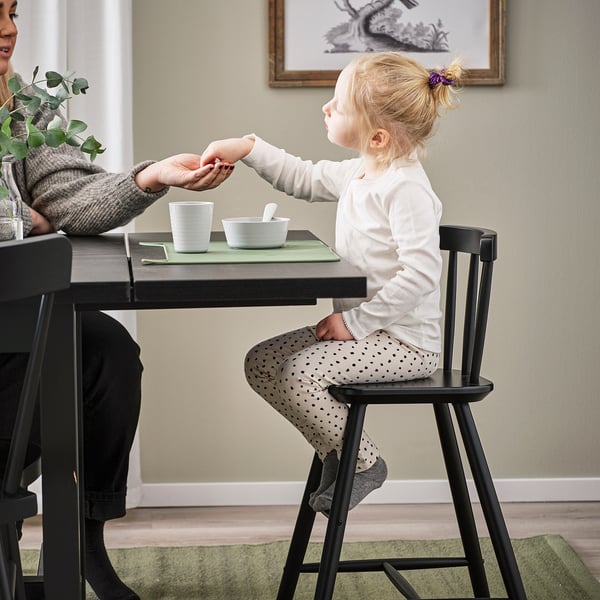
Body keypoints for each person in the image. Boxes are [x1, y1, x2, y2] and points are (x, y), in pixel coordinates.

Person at [0, 4, 232, 600]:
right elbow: (23, 216)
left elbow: (68, 197)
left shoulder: (23, 104)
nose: (8, 30)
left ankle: (83, 545)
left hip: (11, 322)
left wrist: (149, 177)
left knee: (104, 350)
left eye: (12, 11)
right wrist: (16, 217)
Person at [200, 52, 464, 514]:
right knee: (262, 362)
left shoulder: (405, 188)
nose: (326, 108)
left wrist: (357, 322)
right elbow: (302, 177)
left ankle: (364, 463)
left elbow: (422, 273)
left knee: (301, 373)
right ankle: (337, 453)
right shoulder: (361, 172)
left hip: (405, 342)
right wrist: (248, 148)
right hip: (367, 332)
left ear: (378, 136)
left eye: (338, 105)